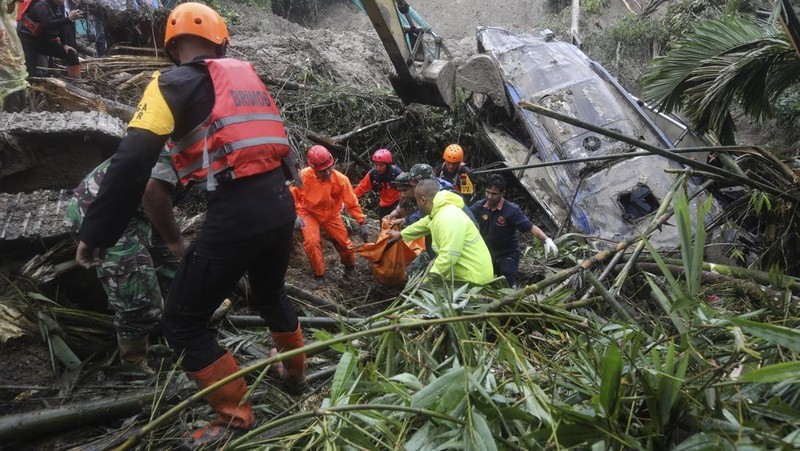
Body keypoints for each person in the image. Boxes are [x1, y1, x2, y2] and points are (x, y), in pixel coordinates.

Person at [73, 3, 306, 445]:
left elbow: (131, 162)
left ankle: (234, 418)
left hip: (236, 214)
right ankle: (295, 372)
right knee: (271, 293)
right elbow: (281, 146)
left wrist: (97, 231)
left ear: (172, 45)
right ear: (222, 40)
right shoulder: (247, 76)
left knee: (182, 323)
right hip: (280, 205)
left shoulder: (168, 84)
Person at [63, 158, 183, 373]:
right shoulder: (183, 142)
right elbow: (151, 190)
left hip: (139, 212)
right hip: (104, 217)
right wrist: (176, 241)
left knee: (176, 270)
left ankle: (186, 324)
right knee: (137, 298)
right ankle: (133, 363)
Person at [388, 179, 493, 285]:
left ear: (423, 200)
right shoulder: (440, 209)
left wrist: (425, 282)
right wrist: (401, 234)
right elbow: (426, 222)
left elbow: (448, 257)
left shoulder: (448, 217)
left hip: (472, 278)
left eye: (417, 200)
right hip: (464, 271)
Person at [291, 145, 369, 280]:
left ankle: (349, 267)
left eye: (329, 168)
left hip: (331, 214)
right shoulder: (302, 177)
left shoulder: (341, 180)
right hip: (308, 212)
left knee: (343, 242)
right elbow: (290, 197)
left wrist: (361, 221)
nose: (327, 172)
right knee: (312, 242)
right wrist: (293, 215)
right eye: (322, 170)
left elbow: (351, 202)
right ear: (313, 168)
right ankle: (319, 274)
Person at [470, 174, 558, 286]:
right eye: (487, 192)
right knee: (488, 283)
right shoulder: (479, 207)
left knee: (506, 284)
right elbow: (465, 219)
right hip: (486, 253)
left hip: (507, 254)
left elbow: (530, 227)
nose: (489, 196)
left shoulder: (511, 210)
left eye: (494, 194)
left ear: (502, 193)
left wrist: (546, 239)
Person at [16, 0, 83, 78]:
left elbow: (62, 26)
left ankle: (77, 80)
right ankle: (29, 85)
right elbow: (49, 24)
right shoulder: (40, 5)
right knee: (30, 68)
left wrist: (65, 44)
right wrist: (68, 19)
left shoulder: (60, 6)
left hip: (45, 40)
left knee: (71, 53)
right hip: (29, 40)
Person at [353, 148, 403, 219]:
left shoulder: (396, 173)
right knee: (383, 225)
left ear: (388, 165)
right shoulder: (373, 174)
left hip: (397, 201)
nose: (378, 168)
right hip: (384, 204)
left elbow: (407, 187)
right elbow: (361, 188)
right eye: (376, 165)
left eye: (381, 165)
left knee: (395, 225)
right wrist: (349, 199)